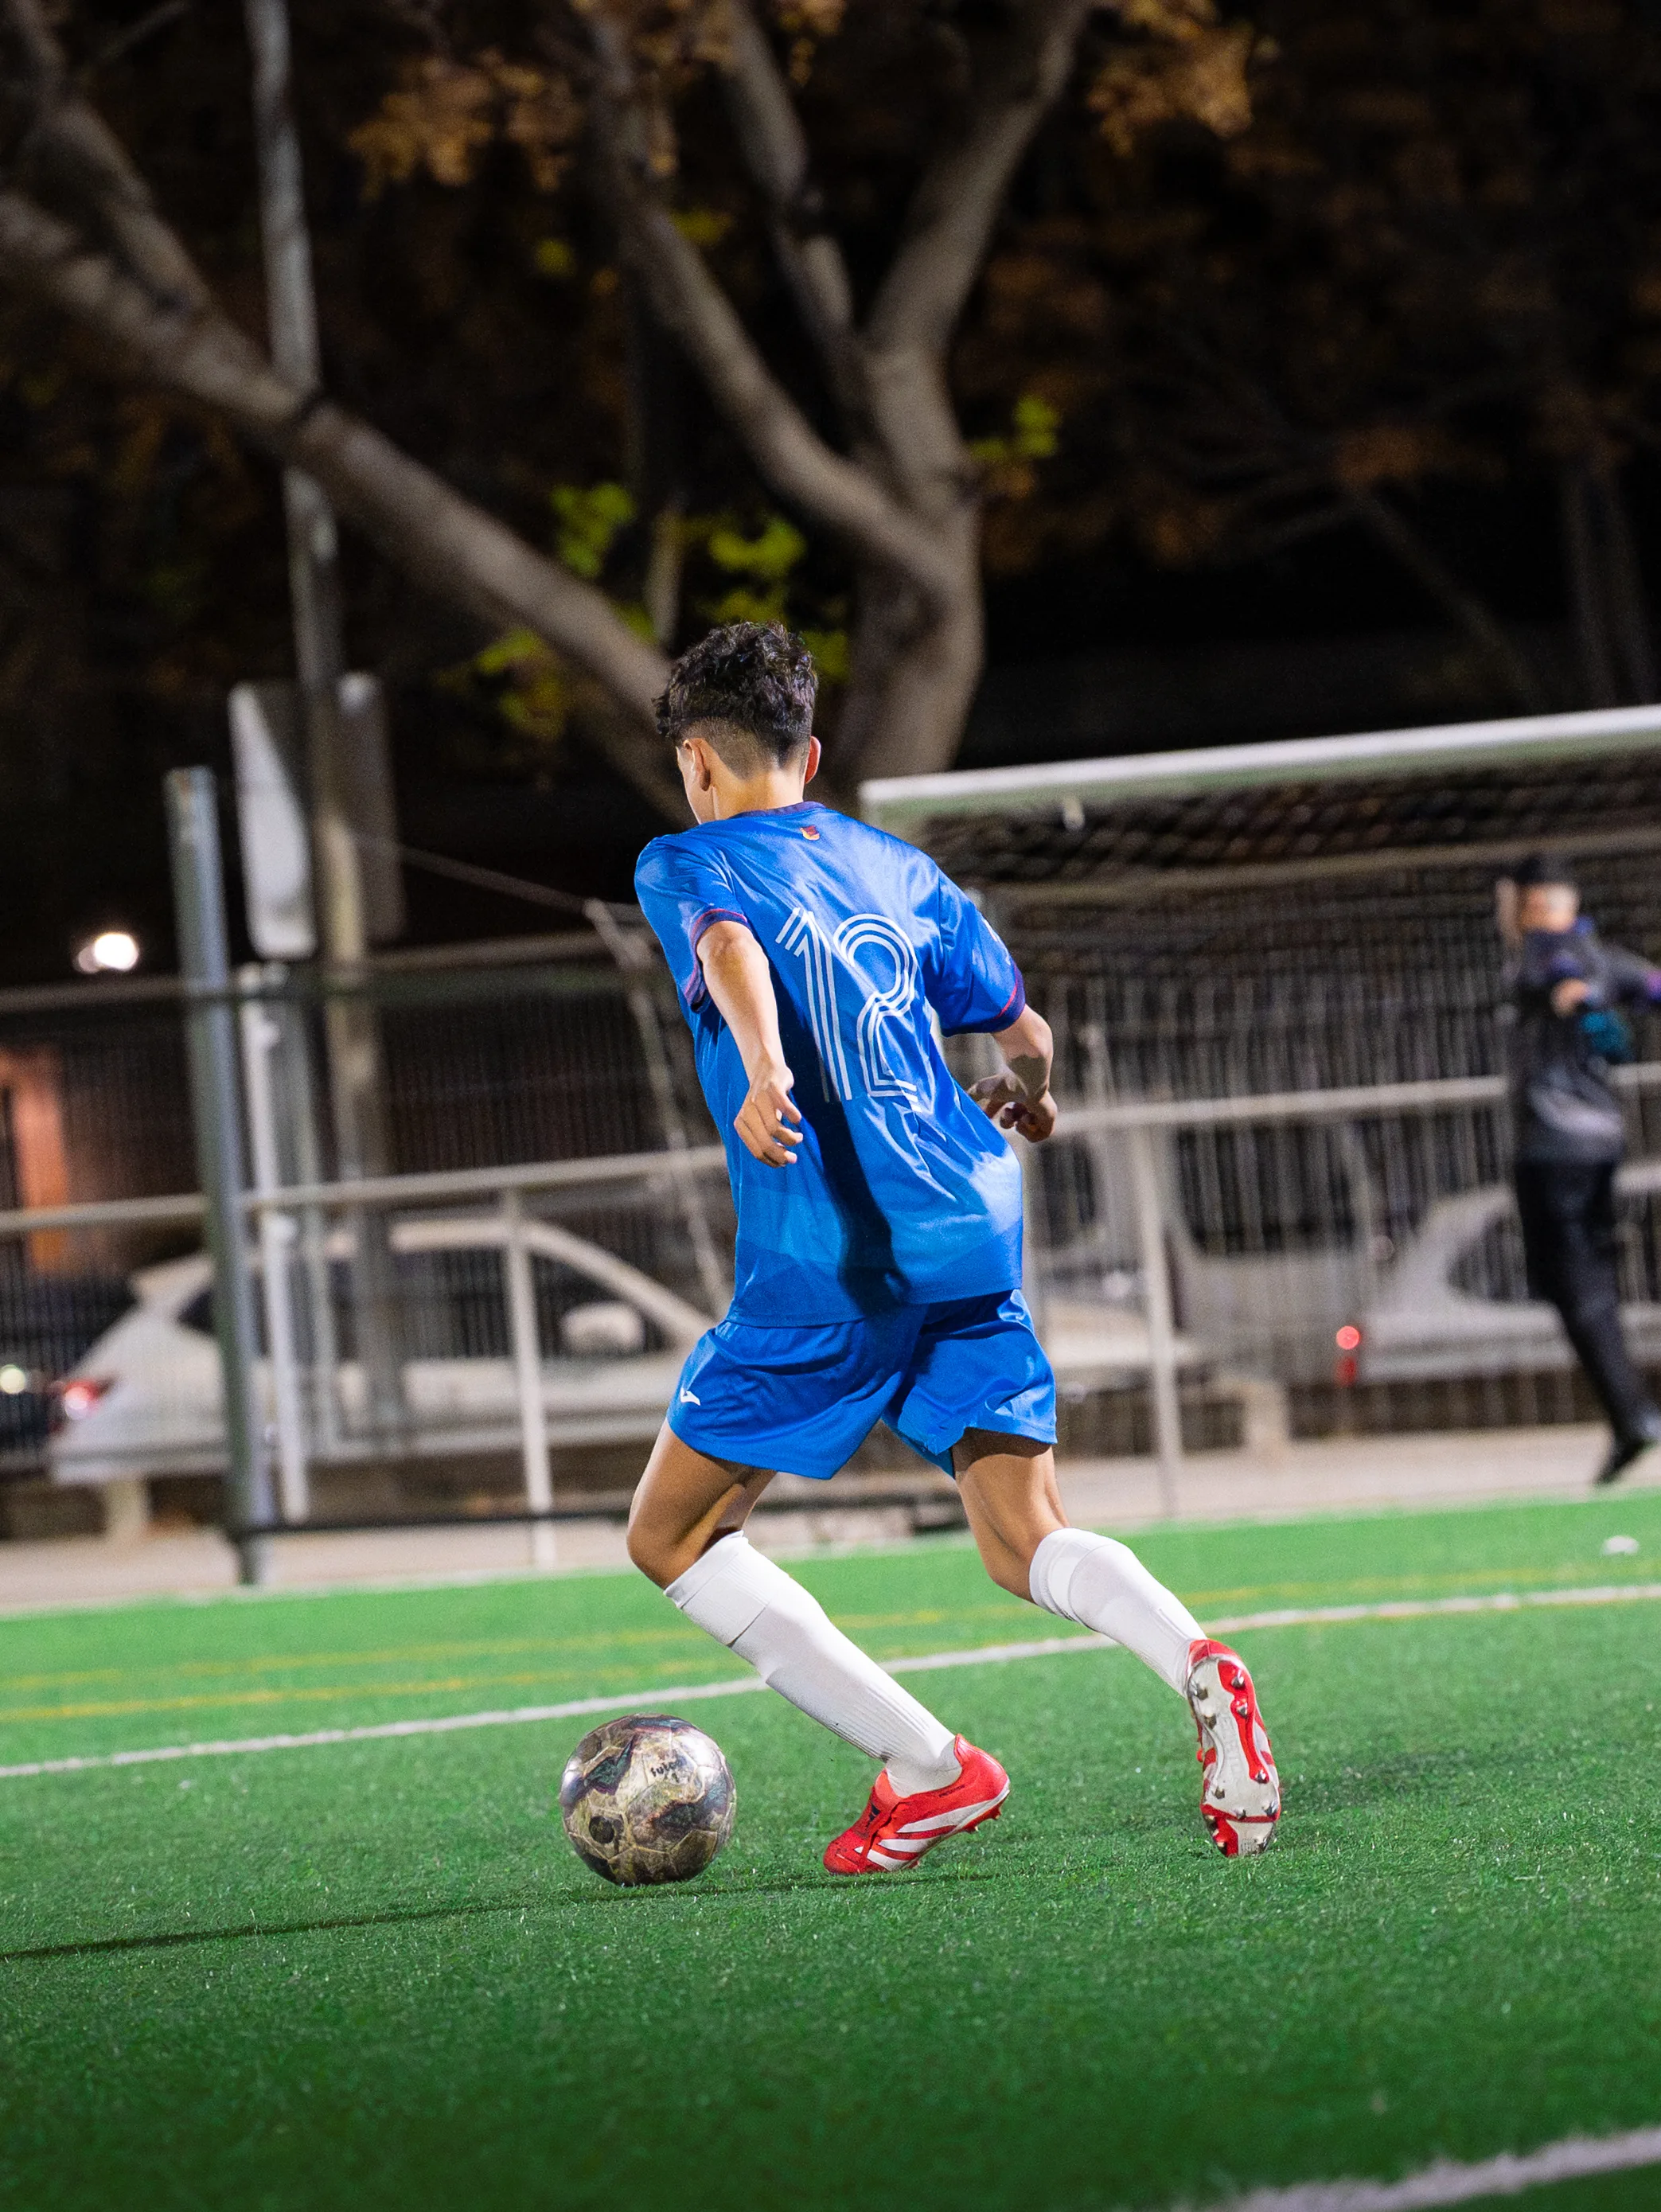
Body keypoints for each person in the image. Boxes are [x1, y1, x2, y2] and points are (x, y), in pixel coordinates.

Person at [628, 621, 1279, 1871]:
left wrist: (766, 1071)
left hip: (828, 1253)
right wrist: (1027, 1091)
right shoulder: (903, 868)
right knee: (1023, 1535)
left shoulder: (686, 857)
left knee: (672, 1537)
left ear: (697, 764)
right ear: (809, 754)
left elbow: (727, 949)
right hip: (973, 1228)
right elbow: (1022, 1028)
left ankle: (931, 1769)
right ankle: (1195, 1659)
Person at [1499, 852, 1661, 1485]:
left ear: (1534, 903)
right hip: (1601, 1143)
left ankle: (1630, 1415)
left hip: (1552, 1147)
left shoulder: (1541, 952)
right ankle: (1628, 1412)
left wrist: (1572, 992)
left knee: (1571, 1283)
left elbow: (1557, 976)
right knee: (1586, 1278)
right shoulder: (1608, 954)